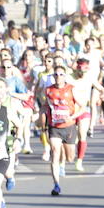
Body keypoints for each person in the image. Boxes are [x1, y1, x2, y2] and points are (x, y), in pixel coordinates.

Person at [44, 64, 83, 196]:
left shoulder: (71, 89)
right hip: (54, 127)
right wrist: (38, 115)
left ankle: (63, 161)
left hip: (69, 126)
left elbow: (82, 107)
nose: (58, 77)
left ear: (65, 76)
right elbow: (46, 106)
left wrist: (72, 116)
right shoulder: (48, 90)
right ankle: (56, 185)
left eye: (61, 74)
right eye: (56, 74)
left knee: (70, 157)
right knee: (55, 151)